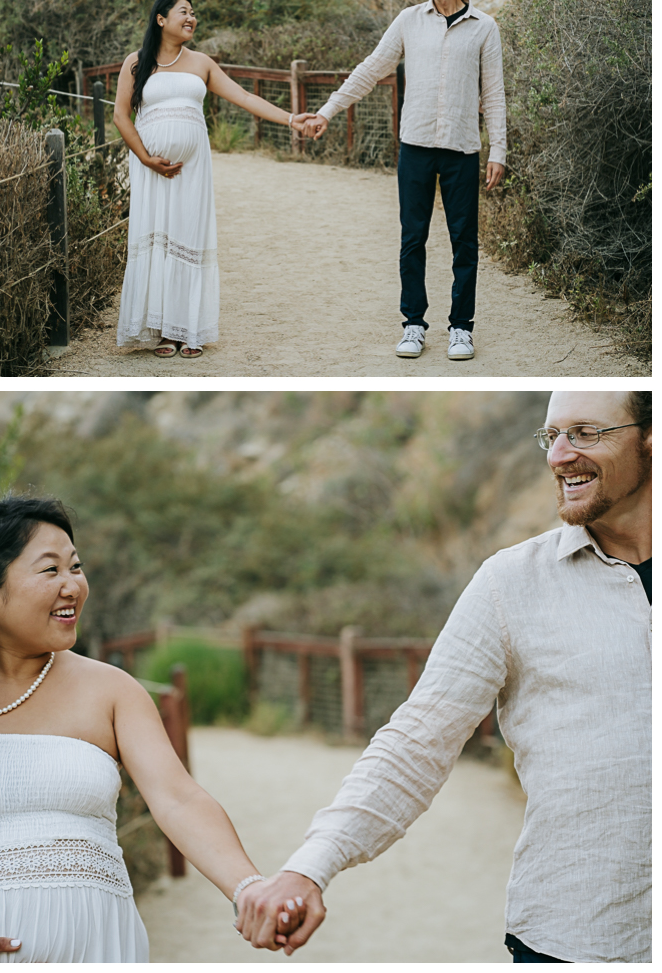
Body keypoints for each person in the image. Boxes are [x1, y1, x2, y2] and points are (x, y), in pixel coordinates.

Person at [238, 391, 651, 964]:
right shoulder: (511, 585)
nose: (559, 455)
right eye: (551, 435)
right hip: (576, 935)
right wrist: (311, 866)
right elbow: (418, 740)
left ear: (648, 436)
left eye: (585, 432)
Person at [0, 497, 301, 962]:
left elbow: (178, 799)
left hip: (98, 949)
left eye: (76, 567)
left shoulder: (111, 690)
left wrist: (249, 887)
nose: (73, 585)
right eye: (50, 570)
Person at [303, 0, 506, 362]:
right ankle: (413, 324)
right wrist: (327, 110)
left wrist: (497, 149)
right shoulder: (409, 21)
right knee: (412, 238)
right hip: (415, 146)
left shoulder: (485, 27)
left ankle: (461, 329)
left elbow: (494, 94)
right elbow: (370, 69)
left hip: (462, 148)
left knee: (463, 243)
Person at [114, 0, 314, 359]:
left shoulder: (201, 62)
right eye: (183, 12)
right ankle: (162, 333)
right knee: (158, 238)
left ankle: (187, 328)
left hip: (192, 171)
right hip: (151, 172)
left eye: (194, 14)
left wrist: (291, 119)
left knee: (187, 236)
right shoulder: (137, 62)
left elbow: (244, 97)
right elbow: (121, 116)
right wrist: (145, 158)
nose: (192, 18)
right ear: (161, 19)